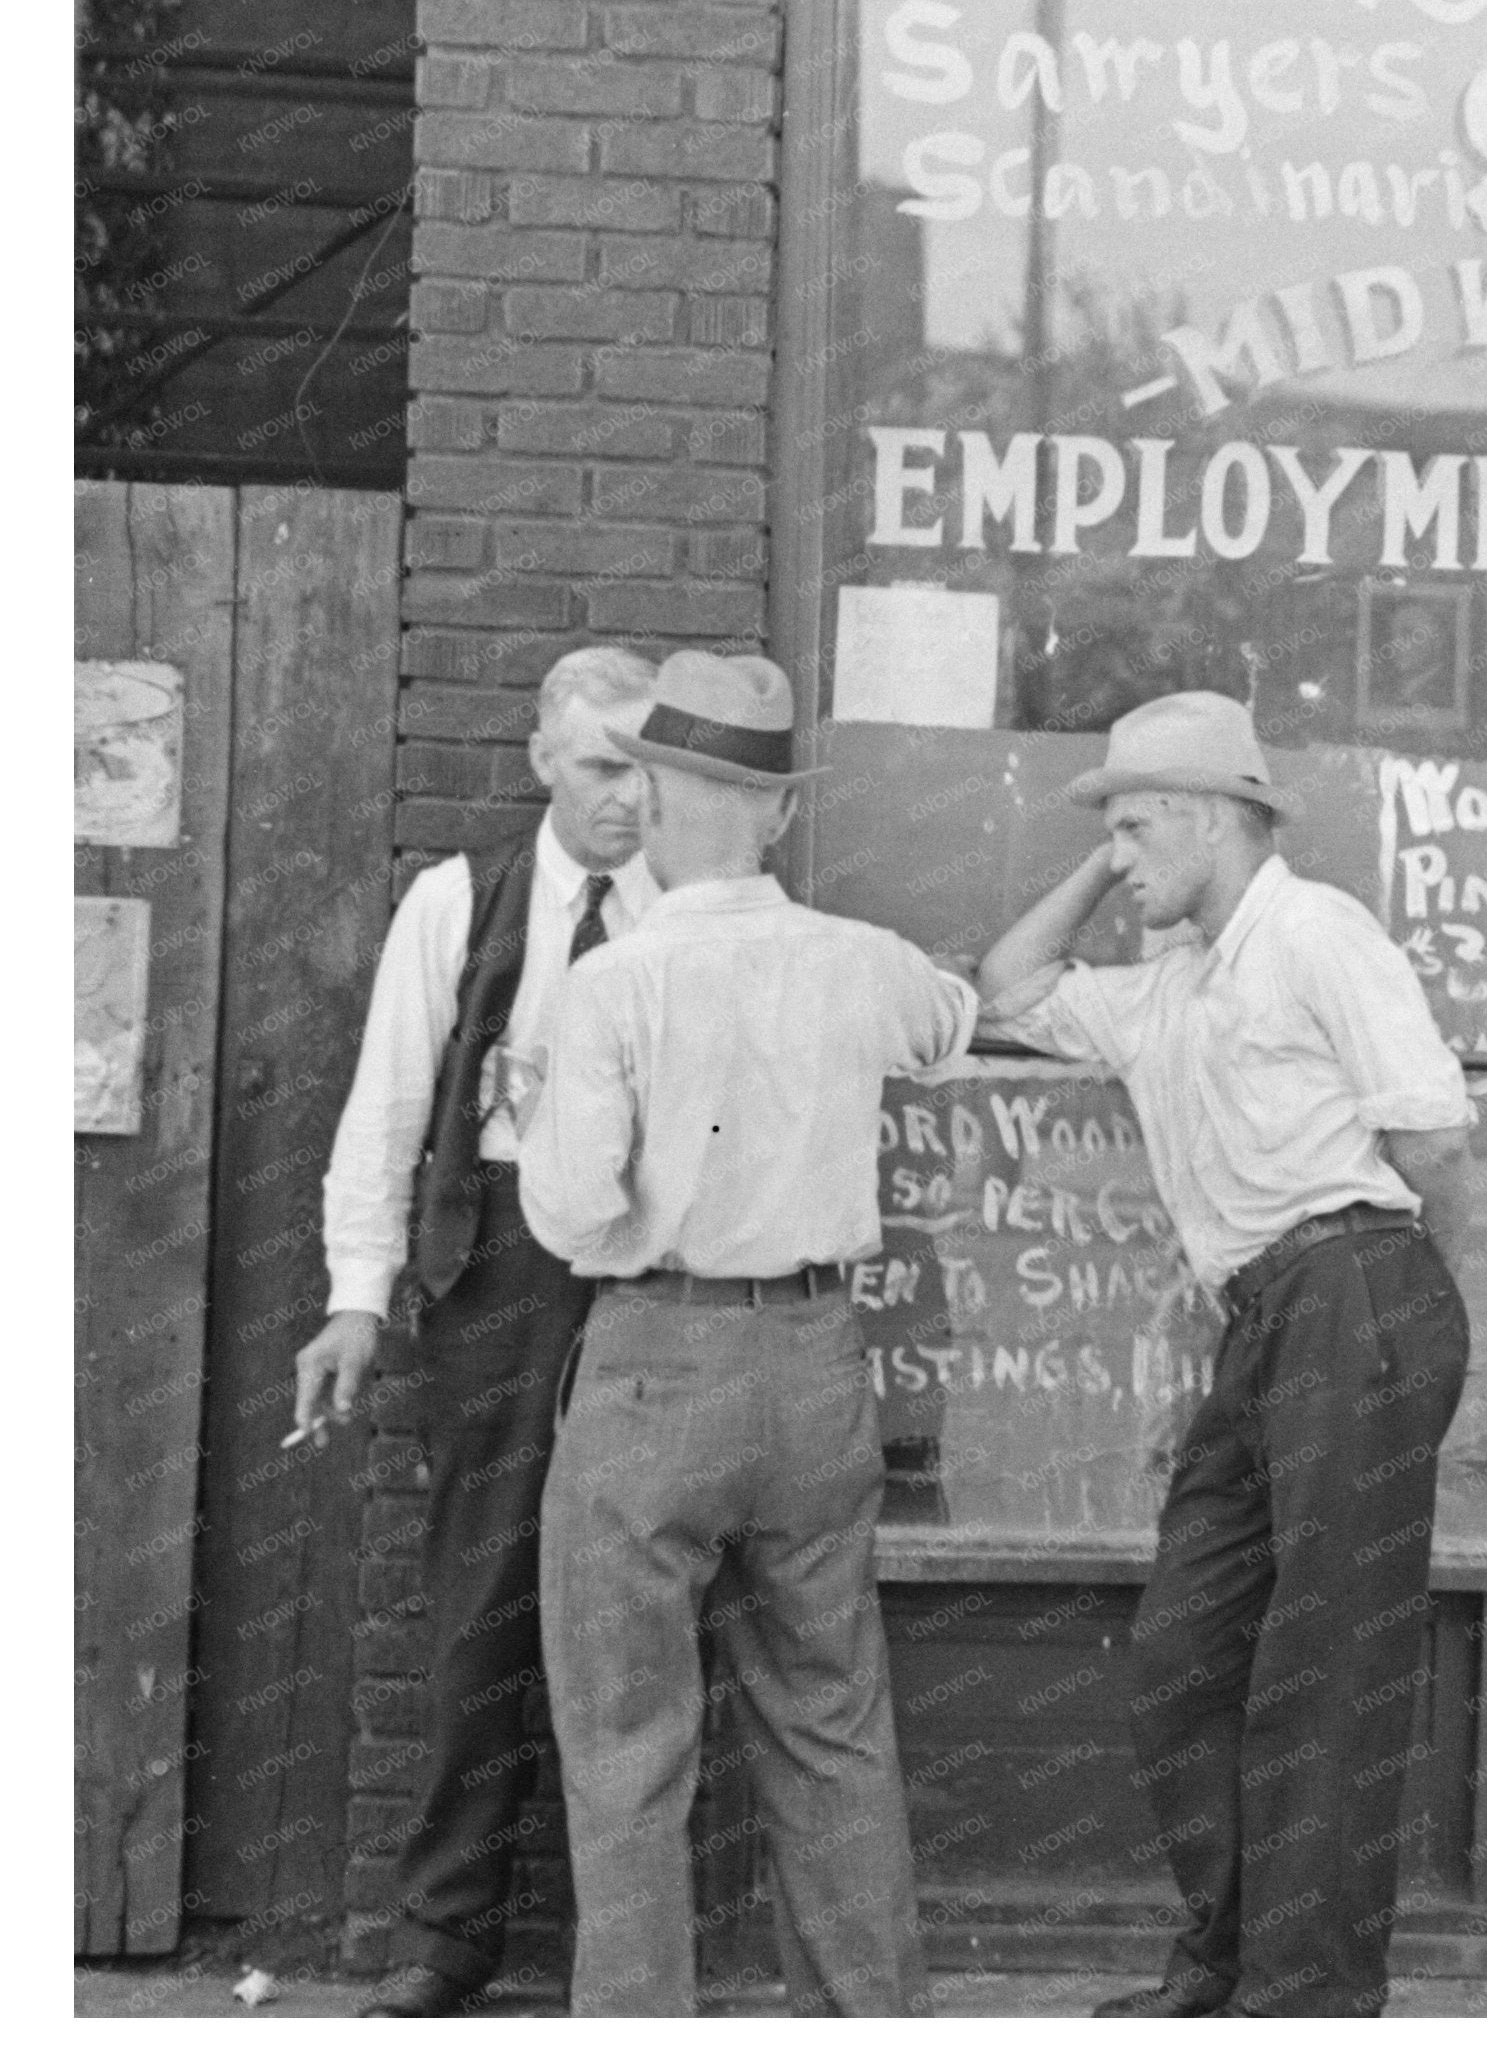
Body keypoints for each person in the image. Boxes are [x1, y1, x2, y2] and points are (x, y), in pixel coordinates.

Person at [977, 690, 1475, 2018]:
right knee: (1187, 1660)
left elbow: (1428, 1140)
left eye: (1139, 828)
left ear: (1211, 818)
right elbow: (1010, 987)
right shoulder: (1168, 988)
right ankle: (1226, 1965)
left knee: (1330, 1667)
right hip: (1263, 1320)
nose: (1123, 857)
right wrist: (1108, 852)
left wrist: (1407, 1306)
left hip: (1354, 1283)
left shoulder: (1319, 933)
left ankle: (1304, 2006)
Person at [517, 649, 976, 2016]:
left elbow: (572, 1212)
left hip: (657, 1358)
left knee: (626, 1747)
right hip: (818, 1361)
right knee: (831, 1721)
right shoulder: (861, 962)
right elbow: (955, 1024)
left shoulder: (612, 982)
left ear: (652, 798)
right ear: (779, 812)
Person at [291, 643, 659, 2019]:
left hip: (649, 1267)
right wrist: (356, 1296)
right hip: (498, 1275)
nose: (629, 797)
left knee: (638, 1604)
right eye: (603, 765)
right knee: (484, 1602)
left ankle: (624, 1949)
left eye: (649, 767)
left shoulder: (695, 908)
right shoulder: (461, 901)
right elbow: (388, 1107)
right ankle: (450, 1933)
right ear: (544, 761)